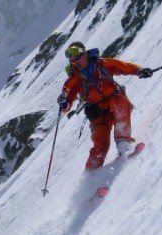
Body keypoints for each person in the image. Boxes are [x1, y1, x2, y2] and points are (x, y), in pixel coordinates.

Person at [57, 41, 153, 170]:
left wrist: (139, 71)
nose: (75, 62)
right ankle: (91, 175)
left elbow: (124, 67)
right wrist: (64, 103)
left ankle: (123, 144)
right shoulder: (73, 80)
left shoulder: (103, 64)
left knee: (119, 102)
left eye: (77, 57)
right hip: (96, 111)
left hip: (113, 100)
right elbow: (67, 94)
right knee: (101, 144)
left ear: (84, 54)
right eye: (72, 60)